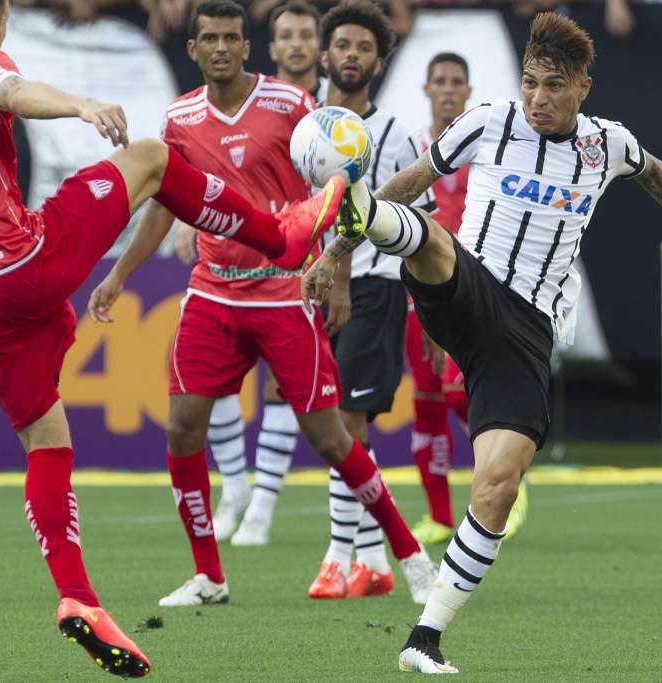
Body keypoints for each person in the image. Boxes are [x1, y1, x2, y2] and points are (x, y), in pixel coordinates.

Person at [0, 2, 345, 677]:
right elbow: (12, 90)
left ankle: (78, 596)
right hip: (20, 264)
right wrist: (80, 104)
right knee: (155, 158)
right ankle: (281, 235)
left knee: (46, 440)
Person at [302, 12, 662, 674]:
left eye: (553, 85)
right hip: (471, 283)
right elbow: (414, 182)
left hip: (524, 334)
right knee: (432, 236)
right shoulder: (491, 120)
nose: (538, 98)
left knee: (497, 486)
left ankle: (423, 639)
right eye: (530, 83)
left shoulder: (609, 145)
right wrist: (342, 250)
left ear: (584, 86)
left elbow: (659, 175)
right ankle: (346, 209)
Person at [87, 0, 436, 609]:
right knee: (181, 426)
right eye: (209, 39)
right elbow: (167, 204)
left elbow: (340, 186)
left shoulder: (293, 107)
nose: (221, 48)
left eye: (231, 37)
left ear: (248, 46)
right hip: (213, 289)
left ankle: (409, 555)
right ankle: (209, 576)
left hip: (282, 290)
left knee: (331, 439)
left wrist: (339, 269)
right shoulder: (180, 119)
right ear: (192, 50)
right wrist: (119, 274)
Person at [179, 0, 327, 548]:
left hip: (294, 271)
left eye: (304, 35)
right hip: (221, 274)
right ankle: (237, 489)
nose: (295, 44)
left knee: (297, 399)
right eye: (285, 34)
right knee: (207, 385)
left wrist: (332, 262)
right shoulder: (191, 114)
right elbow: (190, 179)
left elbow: (330, 189)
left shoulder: (310, 110)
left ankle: (263, 505)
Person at [305, 0, 430, 602]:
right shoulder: (305, 128)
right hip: (310, 287)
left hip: (375, 289)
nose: (351, 56)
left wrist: (429, 303)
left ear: (378, 61)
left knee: (346, 423)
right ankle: (376, 560)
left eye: (364, 48)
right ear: (325, 55)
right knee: (338, 429)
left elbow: (420, 222)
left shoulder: (399, 134)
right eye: (343, 46)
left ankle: (336, 558)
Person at [403, 52, 530, 546]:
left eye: (457, 81)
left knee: (462, 394)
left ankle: (510, 476)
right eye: (440, 81)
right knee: (427, 404)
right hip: (422, 292)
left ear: (468, 92)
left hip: (476, 291)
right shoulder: (414, 151)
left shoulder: (487, 153)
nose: (449, 89)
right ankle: (438, 515)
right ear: (427, 90)